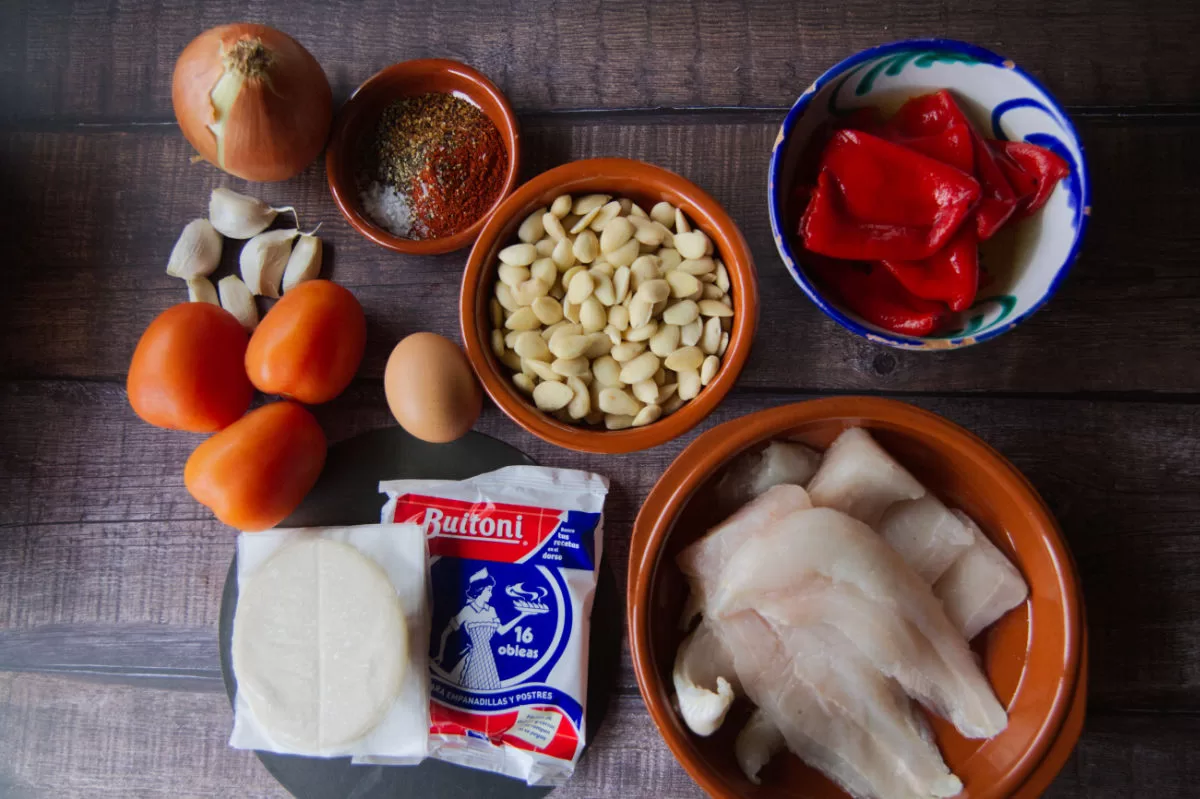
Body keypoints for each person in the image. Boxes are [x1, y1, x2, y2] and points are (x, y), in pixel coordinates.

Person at [434, 568, 534, 690]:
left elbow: (502, 630)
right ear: (479, 590)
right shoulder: (467, 610)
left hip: (488, 660)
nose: (491, 594)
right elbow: (445, 633)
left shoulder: (491, 611)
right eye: (488, 590)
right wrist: (440, 655)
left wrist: (522, 615)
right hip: (474, 660)